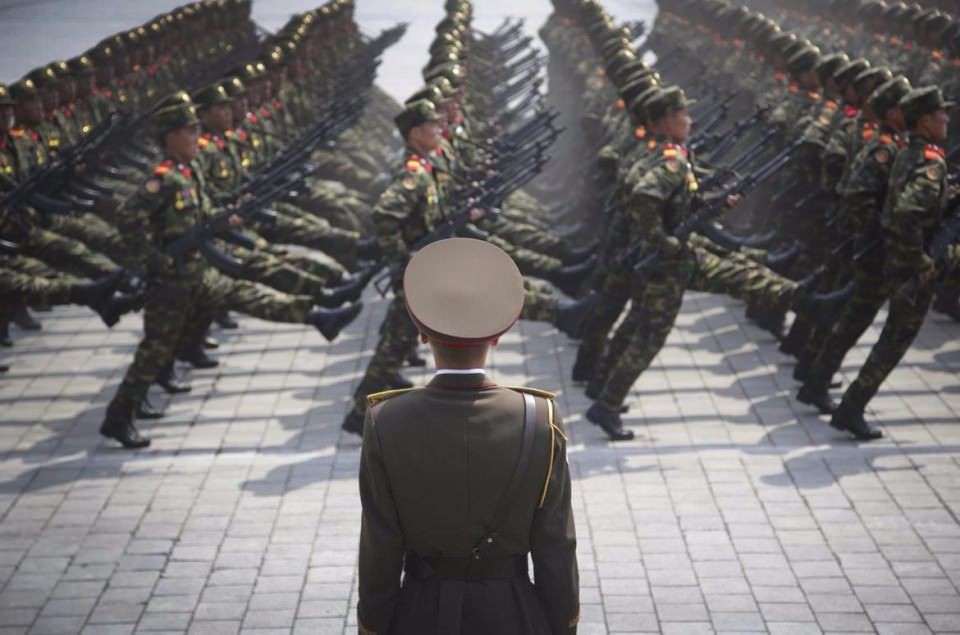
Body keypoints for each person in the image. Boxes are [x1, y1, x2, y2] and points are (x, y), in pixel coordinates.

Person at [357, 237, 579, 635]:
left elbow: (380, 549)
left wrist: (373, 627)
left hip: (419, 614)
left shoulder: (385, 421)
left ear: (422, 335)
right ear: (497, 336)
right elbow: (555, 548)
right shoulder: (539, 417)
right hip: (513, 613)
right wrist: (563, 625)